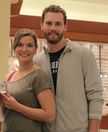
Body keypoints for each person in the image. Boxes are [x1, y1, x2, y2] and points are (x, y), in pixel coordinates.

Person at [34, 4, 104, 132]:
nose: (53, 28)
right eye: (49, 23)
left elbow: (95, 96)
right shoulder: (36, 61)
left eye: (58, 24)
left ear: (65, 26)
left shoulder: (83, 55)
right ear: (42, 25)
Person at [0, 28, 56, 132]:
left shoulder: (39, 76)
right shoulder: (9, 77)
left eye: (29, 45)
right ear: (14, 48)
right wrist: (0, 102)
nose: (24, 49)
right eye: (20, 45)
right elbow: (7, 110)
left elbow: (50, 115)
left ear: (36, 49)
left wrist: (17, 106)